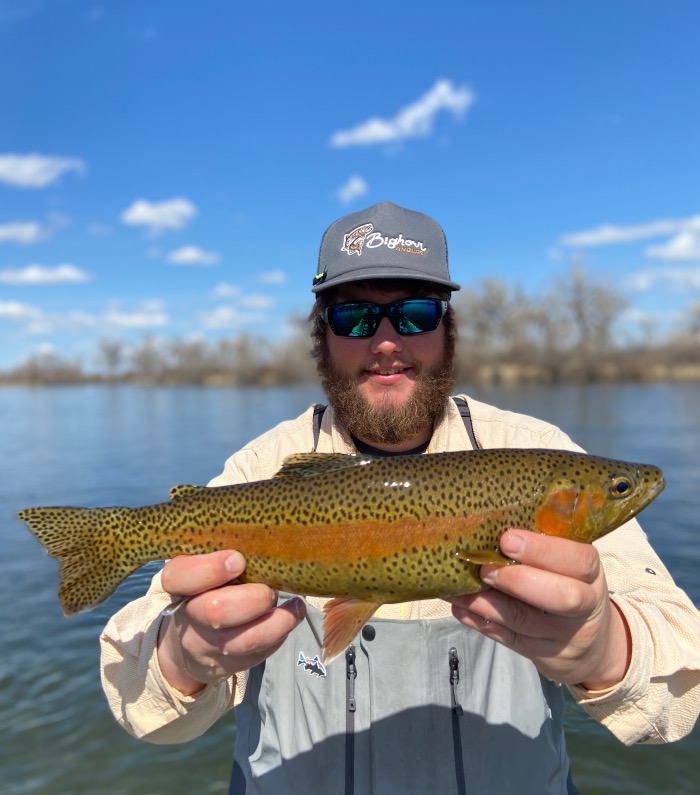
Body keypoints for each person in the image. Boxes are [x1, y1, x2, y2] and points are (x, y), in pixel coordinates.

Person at [101, 201, 700, 795]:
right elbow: (142, 705)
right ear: (322, 334)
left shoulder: (539, 453)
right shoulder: (256, 470)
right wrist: (183, 655)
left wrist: (602, 648)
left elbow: (681, 688)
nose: (386, 341)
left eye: (414, 314)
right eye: (355, 318)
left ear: (448, 328)